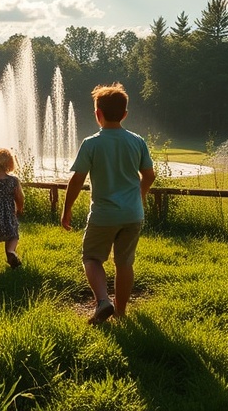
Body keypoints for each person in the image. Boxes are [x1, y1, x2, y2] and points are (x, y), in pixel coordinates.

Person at [61, 83, 155, 325]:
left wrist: (67, 208)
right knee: (124, 263)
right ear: (125, 114)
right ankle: (121, 312)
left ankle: (103, 301)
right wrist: (140, 195)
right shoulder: (137, 141)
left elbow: (77, 179)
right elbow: (149, 175)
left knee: (92, 258)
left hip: (103, 215)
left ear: (97, 114)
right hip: (133, 214)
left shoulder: (91, 143)